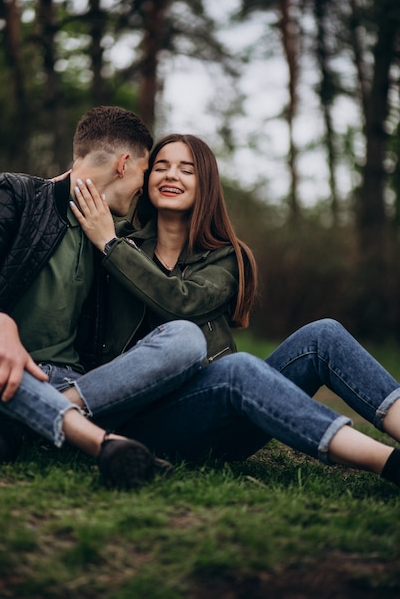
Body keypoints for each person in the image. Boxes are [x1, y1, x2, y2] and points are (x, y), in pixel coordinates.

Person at [69, 133, 400, 489]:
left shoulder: (224, 256)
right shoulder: (116, 239)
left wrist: (111, 246)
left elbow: (180, 302)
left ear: (206, 183)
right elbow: (70, 188)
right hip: (138, 422)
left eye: (187, 170)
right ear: (145, 179)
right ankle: (389, 463)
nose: (170, 176)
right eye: (160, 167)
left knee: (324, 334)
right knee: (239, 368)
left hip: (221, 412)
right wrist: (109, 239)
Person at [0, 112, 207, 490]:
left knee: (187, 338)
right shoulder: (17, 194)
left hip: (79, 385)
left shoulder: (117, 238)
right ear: (124, 164)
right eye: (145, 171)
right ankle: (98, 442)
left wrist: (110, 244)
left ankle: (21, 422)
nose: (144, 186)